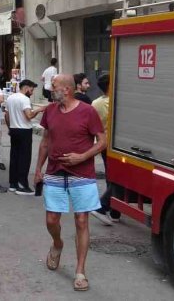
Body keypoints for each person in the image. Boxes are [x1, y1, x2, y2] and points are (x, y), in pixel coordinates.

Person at [33, 74, 107, 293]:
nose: (49, 89)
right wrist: (38, 169)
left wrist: (82, 157)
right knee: (51, 219)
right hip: (55, 172)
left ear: (66, 89)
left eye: (53, 86)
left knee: (82, 220)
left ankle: (80, 271)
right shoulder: (50, 111)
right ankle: (57, 244)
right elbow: (45, 141)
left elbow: (102, 142)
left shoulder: (87, 111)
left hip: (82, 173)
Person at [90, 73, 121, 225]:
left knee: (111, 176)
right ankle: (102, 206)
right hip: (116, 146)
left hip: (103, 144)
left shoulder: (95, 103)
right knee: (118, 179)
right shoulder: (115, 102)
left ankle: (115, 211)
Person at [6, 79, 44, 195]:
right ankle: (22, 185)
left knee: (14, 157)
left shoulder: (10, 98)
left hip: (14, 129)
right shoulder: (25, 99)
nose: (32, 92)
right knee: (24, 158)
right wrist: (39, 109)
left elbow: (7, 115)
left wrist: (10, 128)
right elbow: (29, 115)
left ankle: (13, 184)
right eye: (31, 90)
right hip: (24, 131)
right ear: (26, 88)